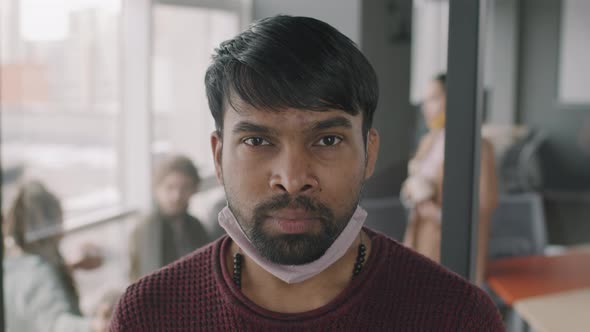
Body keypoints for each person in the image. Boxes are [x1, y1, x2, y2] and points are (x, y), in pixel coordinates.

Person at [111, 15, 504, 331]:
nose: (293, 178)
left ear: (369, 153)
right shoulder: (149, 315)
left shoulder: (457, 317)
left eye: (328, 140)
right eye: (257, 142)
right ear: (217, 157)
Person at [402, 73, 498, 285]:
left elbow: (484, 206)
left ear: (454, 100)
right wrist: (411, 193)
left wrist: (435, 213)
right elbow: (411, 184)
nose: (427, 107)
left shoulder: (480, 147)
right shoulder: (429, 140)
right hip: (419, 242)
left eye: (434, 98)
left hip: (450, 249)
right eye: (426, 100)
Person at [3, 181, 106, 332]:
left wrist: (73, 266)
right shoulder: (38, 271)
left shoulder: (13, 262)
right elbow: (55, 324)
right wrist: (95, 325)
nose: (61, 234)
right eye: (57, 223)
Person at [128, 154, 210, 280]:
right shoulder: (148, 229)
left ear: (194, 189)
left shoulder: (196, 225)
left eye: (185, 188)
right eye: (169, 187)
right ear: (157, 189)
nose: (177, 196)